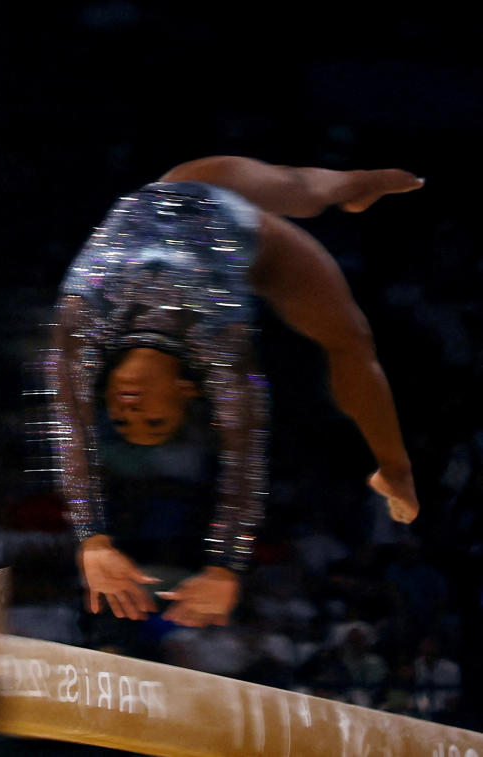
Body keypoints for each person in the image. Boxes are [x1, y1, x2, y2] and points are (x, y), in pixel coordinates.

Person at [50, 156, 422, 628]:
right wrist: (224, 565)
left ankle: (358, 182)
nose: (132, 412)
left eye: (123, 423)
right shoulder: (216, 343)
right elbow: (243, 450)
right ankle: (396, 469)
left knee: (304, 191)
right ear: (187, 392)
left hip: (189, 191)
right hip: (263, 248)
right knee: (352, 339)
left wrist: (93, 539)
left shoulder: (83, 323)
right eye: (154, 423)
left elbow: (67, 424)